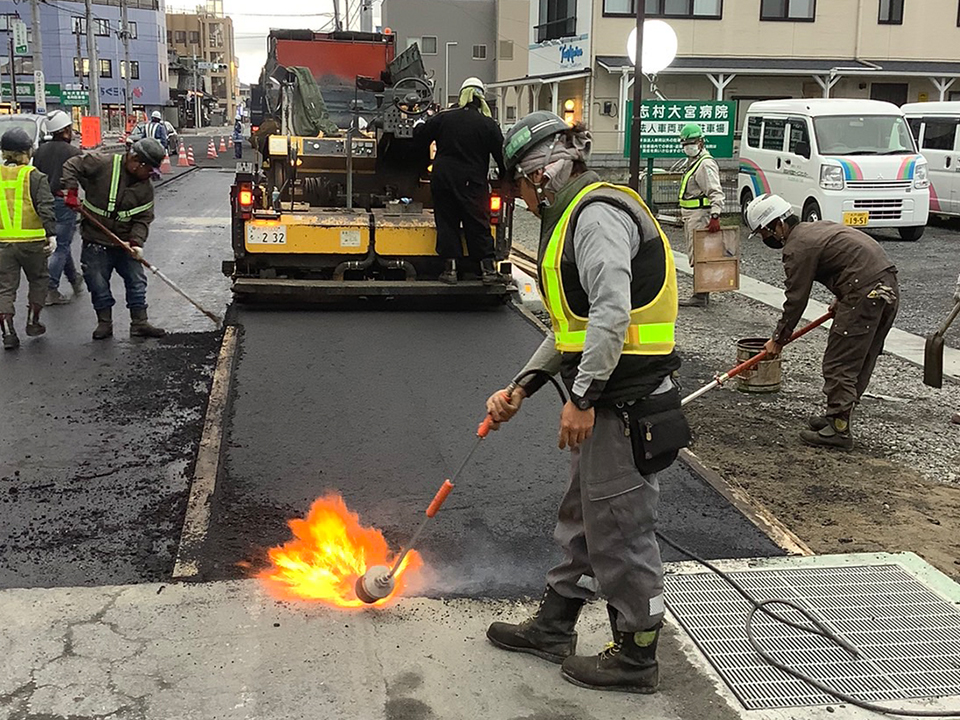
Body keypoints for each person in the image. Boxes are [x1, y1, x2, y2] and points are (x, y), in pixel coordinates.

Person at [483, 111, 686, 694]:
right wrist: (523, 386)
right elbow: (571, 327)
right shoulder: (571, 216)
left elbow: (612, 313)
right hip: (606, 402)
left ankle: (637, 656)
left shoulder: (595, 216)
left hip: (625, 406)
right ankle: (555, 626)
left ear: (542, 174)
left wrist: (582, 397)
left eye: (519, 186)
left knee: (621, 531)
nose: (518, 200)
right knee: (581, 517)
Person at [745, 194, 899, 450]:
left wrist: (778, 340)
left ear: (778, 225)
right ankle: (837, 416)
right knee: (859, 359)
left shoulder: (797, 247)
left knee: (839, 362)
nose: (764, 239)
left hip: (864, 294)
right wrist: (842, 297)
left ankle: (839, 431)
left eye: (763, 233)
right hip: (885, 287)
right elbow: (850, 260)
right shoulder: (814, 229)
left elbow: (796, 299)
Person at [61, 139, 167, 341]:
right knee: (97, 283)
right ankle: (104, 323)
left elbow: (143, 218)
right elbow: (71, 164)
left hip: (125, 243)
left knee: (136, 281)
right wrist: (71, 190)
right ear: (135, 161)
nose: (151, 175)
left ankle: (139, 323)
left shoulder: (146, 189)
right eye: (149, 169)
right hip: (96, 238)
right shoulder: (103, 164)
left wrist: (136, 243)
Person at [414, 77, 505, 284]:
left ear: (462, 95)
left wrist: (419, 121)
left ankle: (450, 270)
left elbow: (420, 137)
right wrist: (503, 178)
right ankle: (488, 270)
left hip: (444, 179)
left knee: (447, 222)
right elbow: (502, 156)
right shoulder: (488, 124)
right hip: (473, 182)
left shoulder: (444, 118)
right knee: (477, 223)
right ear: (481, 97)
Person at [0, 128, 57, 350]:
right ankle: (33, 321)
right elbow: (46, 207)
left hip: (3, 244)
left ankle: (7, 332)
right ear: (26, 151)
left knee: (5, 288)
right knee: (39, 280)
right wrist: (51, 234)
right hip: (33, 242)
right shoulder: (35, 176)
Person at [34, 110, 84, 306]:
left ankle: (73, 278)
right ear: (64, 131)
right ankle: (51, 288)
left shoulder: (40, 151)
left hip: (43, 202)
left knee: (59, 242)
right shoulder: (73, 153)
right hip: (63, 202)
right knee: (61, 246)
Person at [677, 123, 724, 307]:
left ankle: (700, 294)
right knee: (696, 253)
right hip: (692, 214)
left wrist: (715, 215)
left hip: (700, 214)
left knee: (700, 254)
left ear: (701, 142)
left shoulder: (705, 164)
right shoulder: (695, 162)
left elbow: (716, 191)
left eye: (692, 142)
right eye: (685, 143)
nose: (688, 146)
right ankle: (701, 293)